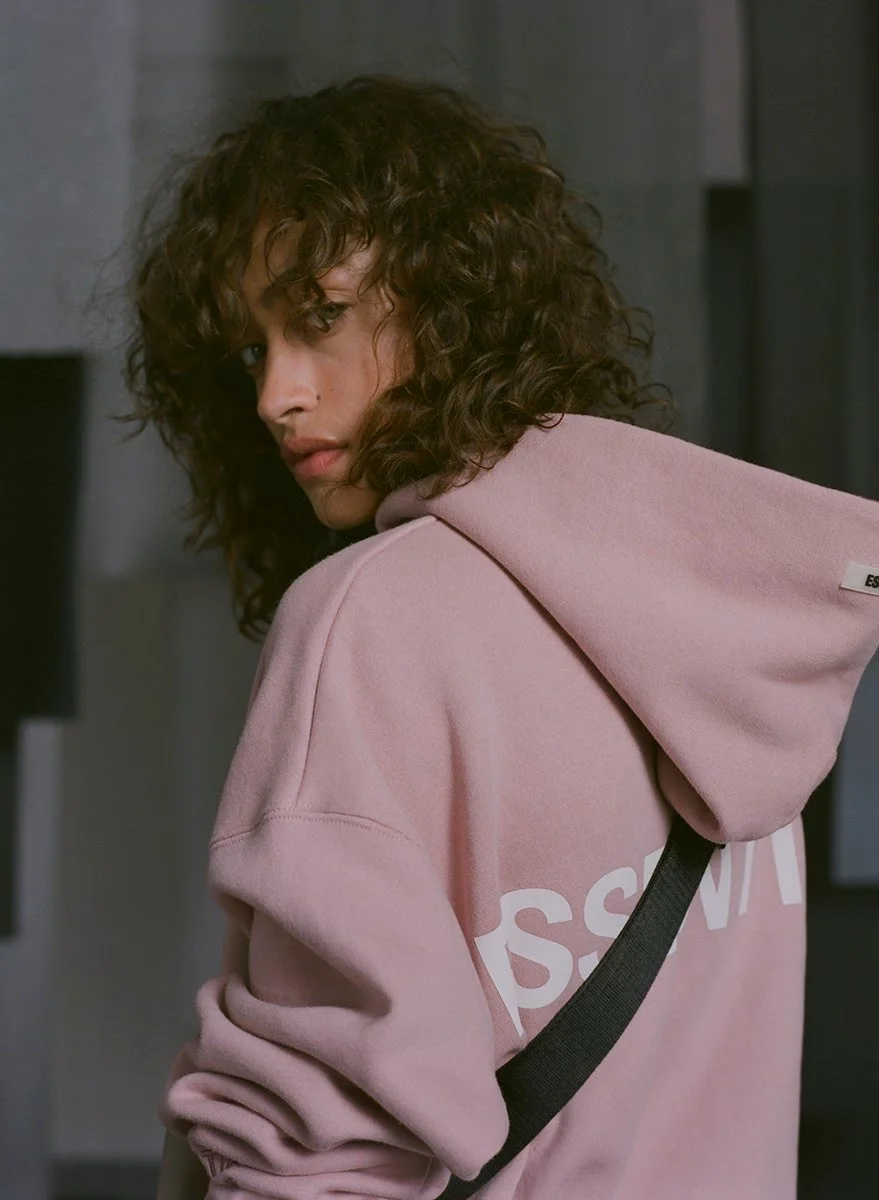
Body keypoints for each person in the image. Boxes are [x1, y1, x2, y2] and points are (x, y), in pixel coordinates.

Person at [117, 75, 879, 1200]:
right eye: (248, 353)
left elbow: (322, 1155)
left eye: (318, 316)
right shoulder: (717, 617)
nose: (276, 394)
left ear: (446, 292)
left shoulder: (367, 619)